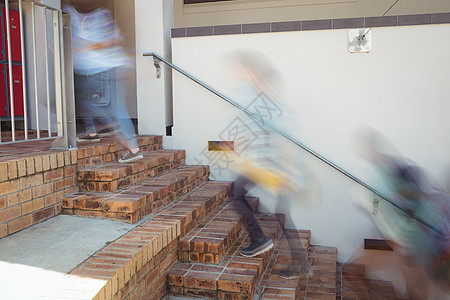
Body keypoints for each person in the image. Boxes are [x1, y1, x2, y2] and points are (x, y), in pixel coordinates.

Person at [230, 50, 306, 277]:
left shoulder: (277, 110)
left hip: (276, 169)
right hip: (265, 166)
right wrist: (216, 146)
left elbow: (287, 144)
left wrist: (287, 172)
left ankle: (262, 241)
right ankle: (267, 244)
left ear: (268, 84)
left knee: (242, 196)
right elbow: (249, 138)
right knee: (277, 213)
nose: (256, 86)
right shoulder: (263, 108)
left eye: (260, 82)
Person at [65, 0, 143, 163]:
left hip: (106, 68)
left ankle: (129, 144)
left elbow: (112, 39)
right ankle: (97, 132)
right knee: (90, 103)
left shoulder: (100, 15)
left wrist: (87, 47)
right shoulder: (77, 17)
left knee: (95, 105)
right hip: (104, 68)